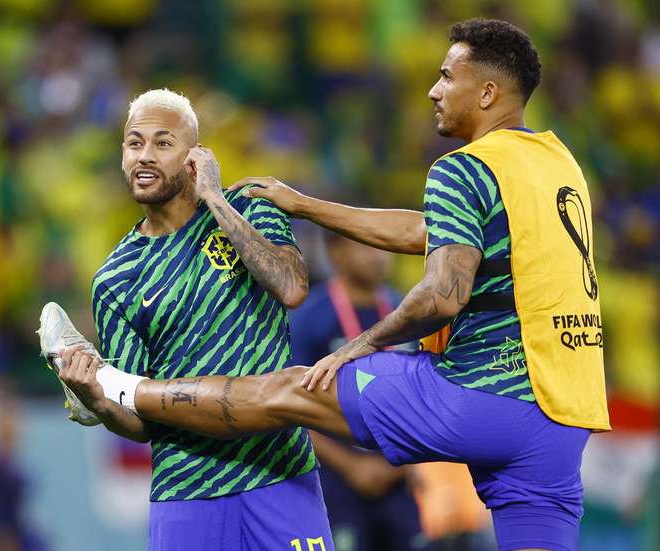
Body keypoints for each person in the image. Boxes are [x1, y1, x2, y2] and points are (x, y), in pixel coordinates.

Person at [51, 19, 609, 551]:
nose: (434, 91)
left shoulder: (464, 167)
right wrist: (306, 205)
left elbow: (441, 294)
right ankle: (109, 386)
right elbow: (426, 229)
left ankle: (118, 382)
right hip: (561, 416)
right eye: (133, 143)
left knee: (295, 387)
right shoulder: (556, 162)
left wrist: (359, 346)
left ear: (486, 93)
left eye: (446, 77)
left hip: (476, 397)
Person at [39, 88, 334, 551]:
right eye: (134, 143)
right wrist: (95, 399)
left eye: (163, 143)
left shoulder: (252, 208)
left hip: (280, 469)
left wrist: (216, 198)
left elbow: (292, 287)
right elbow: (140, 418)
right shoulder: (115, 279)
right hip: (186, 489)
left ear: (194, 155)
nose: (145, 156)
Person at [289, 233, 427, 551]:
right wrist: (353, 467)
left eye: (383, 245)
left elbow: (427, 397)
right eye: (365, 245)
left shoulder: (407, 310)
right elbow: (291, 407)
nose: (378, 255)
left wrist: (406, 465)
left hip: (397, 480)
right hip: (335, 481)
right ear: (335, 253)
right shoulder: (310, 318)